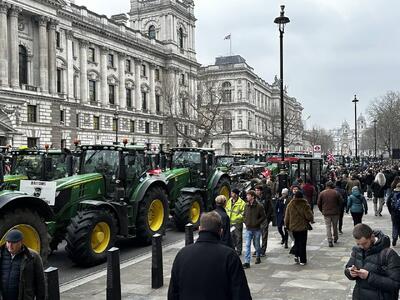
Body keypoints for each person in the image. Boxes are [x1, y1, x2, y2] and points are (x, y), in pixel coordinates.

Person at [168, 212, 252, 300]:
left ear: (200, 229)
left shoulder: (182, 254)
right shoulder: (230, 256)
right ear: (221, 231)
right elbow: (241, 294)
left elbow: (173, 293)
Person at [344, 223, 400, 300]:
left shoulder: (389, 254)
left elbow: (395, 284)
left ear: (372, 237)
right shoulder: (357, 250)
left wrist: (369, 276)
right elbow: (348, 267)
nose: (361, 247)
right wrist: (350, 272)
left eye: (364, 243)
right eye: (358, 244)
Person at [0, 229, 45, 300]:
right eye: (8, 242)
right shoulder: (1, 254)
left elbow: (40, 282)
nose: (10, 246)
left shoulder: (33, 256)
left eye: (13, 243)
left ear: (21, 242)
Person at [284, 190, 314, 266]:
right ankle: (303, 260)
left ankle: (296, 255)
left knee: (296, 242)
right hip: (303, 227)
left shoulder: (290, 204)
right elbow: (309, 216)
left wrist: (287, 225)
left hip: (293, 227)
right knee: (302, 243)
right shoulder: (305, 204)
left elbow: (287, 217)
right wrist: (311, 219)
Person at [242, 190, 266, 269]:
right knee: (247, 245)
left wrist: (257, 222)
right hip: (248, 229)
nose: (247, 197)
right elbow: (244, 215)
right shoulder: (246, 205)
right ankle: (247, 262)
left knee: (257, 244)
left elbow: (263, 216)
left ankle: (258, 257)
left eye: (248, 195)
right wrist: (245, 221)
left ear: (252, 196)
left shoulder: (259, 206)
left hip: (256, 229)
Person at [317, 181, 343, 247]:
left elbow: (319, 203)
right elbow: (341, 202)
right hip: (335, 212)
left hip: (326, 212)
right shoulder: (336, 193)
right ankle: (335, 238)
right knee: (335, 226)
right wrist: (338, 209)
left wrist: (322, 210)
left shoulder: (322, 193)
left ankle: (329, 240)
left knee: (328, 227)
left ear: (326, 186)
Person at [226, 189, 246, 255]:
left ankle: (239, 251)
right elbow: (227, 209)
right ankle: (233, 249)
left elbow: (243, 213)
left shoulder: (242, 203)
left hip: (237, 223)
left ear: (236, 195)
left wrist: (237, 218)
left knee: (238, 237)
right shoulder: (229, 201)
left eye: (232, 193)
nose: (231, 194)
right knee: (231, 237)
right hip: (230, 222)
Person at [255, 184, 273, 257]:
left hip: (264, 219)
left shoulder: (266, 198)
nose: (257, 192)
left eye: (258, 190)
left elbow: (270, 209)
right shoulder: (254, 198)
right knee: (256, 236)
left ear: (261, 191)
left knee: (264, 236)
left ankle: (263, 250)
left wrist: (267, 218)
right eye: (256, 190)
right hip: (256, 220)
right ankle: (257, 249)